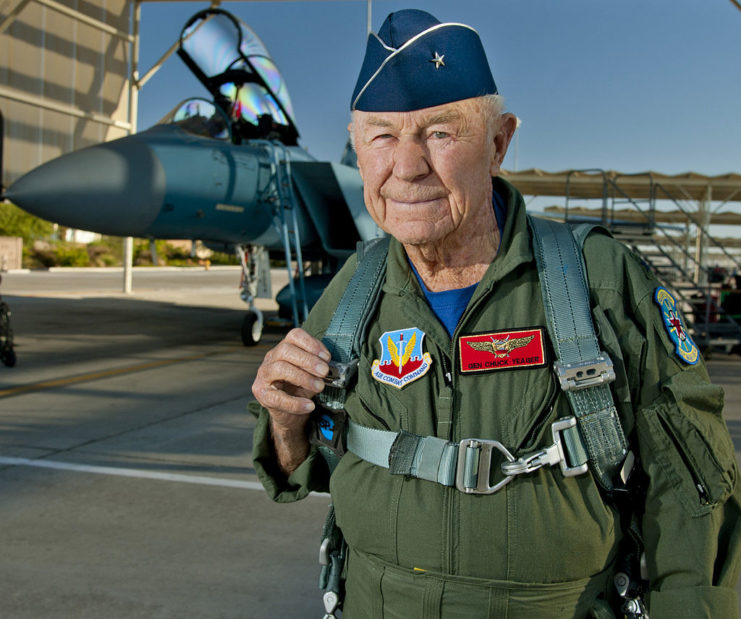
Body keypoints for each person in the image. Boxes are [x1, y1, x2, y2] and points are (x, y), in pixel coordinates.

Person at [250, 9, 741, 618]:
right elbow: (305, 465)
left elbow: (693, 492)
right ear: (356, 146)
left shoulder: (600, 282)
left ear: (500, 143)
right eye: (380, 135)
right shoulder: (354, 287)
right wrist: (284, 418)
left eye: (439, 132)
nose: (405, 167)